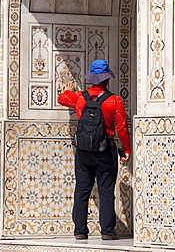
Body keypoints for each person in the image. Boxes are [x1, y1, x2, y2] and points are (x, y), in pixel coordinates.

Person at [57, 59, 131, 240]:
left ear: (91, 79)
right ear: (107, 79)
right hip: (105, 150)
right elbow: (122, 127)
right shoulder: (115, 100)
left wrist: (68, 89)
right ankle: (107, 232)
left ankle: (80, 231)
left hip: (83, 151)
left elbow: (62, 99)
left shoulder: (80, 97)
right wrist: (126, 149)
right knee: (106, 190)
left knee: (82, 189)